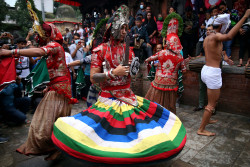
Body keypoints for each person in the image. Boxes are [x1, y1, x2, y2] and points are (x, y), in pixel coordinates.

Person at [52, 5, 186, 165]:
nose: (125, 32)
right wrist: (112, 73)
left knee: (139, 134)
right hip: (108, 98)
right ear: (112, 29)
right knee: (107, 138)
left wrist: (131, 69)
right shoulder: (100, 50)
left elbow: (129, 75)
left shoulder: (128, 50)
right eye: (122, 28)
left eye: (126, 28)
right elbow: (94, 78)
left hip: (128, 97)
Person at [0, 22, 76, 159]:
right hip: (56, 86)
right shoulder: (53, 46)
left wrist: (12, 52)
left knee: (48, 121)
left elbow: (39, 52)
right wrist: (50, 85)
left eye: (39, 33)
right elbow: (56, 70)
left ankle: (58, 147)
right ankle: (56, 147)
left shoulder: (54, 45)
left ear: (46, 34)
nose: (36, 37)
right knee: (52, 120)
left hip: (60, 88)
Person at [197, 9, 250, 136]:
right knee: (211, 104)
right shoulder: (216, 36)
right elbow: (230, 36)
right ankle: (201, 129)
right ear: (221, 26)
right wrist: (245, 17)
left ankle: (207, 119)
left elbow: (216, 51)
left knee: (211, 100)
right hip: (213, 73)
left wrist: (225, 58)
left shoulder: (209, 38)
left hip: (206, 70)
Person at [145, 12, 186, 114]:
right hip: (171, 83)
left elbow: (149, 59)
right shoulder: (180, 57)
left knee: (155, 103)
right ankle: (168, 118)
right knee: (169, 105)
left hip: (159, 81)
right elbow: (184, 71)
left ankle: (155, 115)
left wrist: (153, 64)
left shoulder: (161, 53)